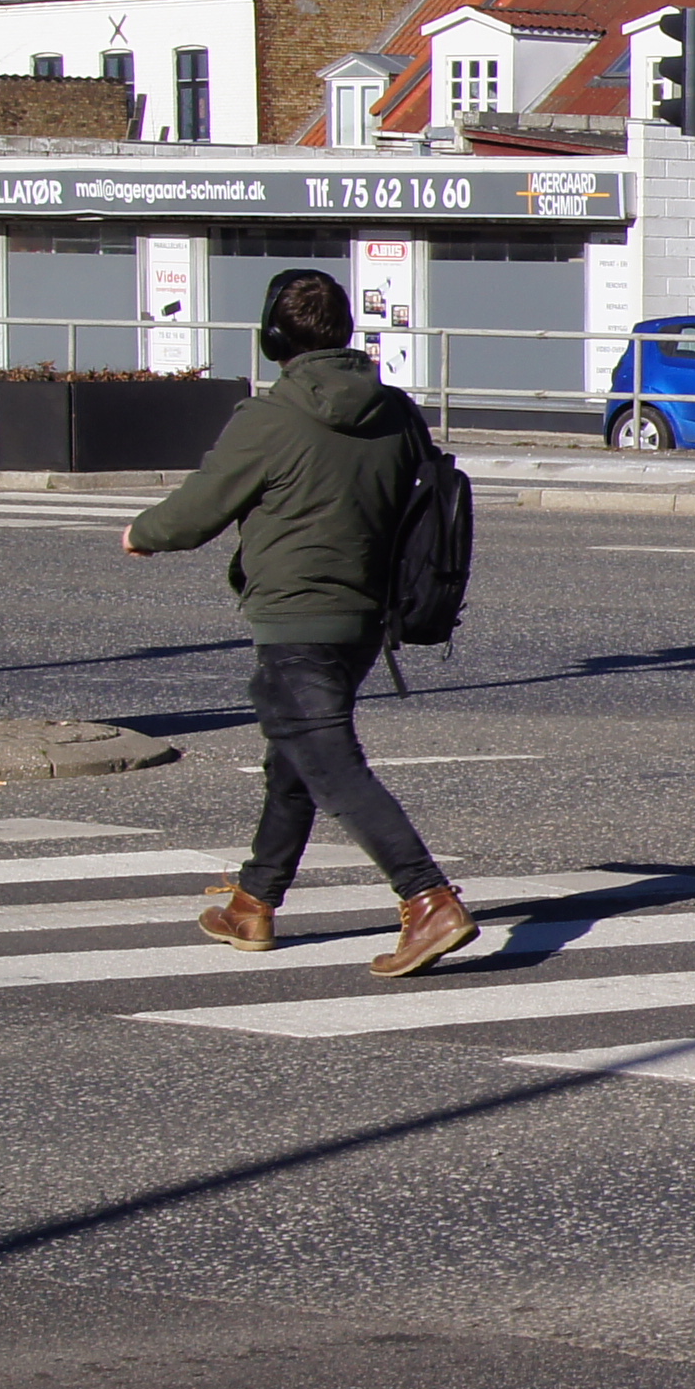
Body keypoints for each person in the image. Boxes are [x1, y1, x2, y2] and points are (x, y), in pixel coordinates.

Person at [124, 270, 478, 977]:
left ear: (272, 338)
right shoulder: (398, 412)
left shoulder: (268, 418)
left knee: (331, 761)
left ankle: (426, 896)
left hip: (295, 618)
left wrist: (142, 533)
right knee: (297, 758)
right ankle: (253, 901)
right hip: (368, 618)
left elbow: (194, 513)